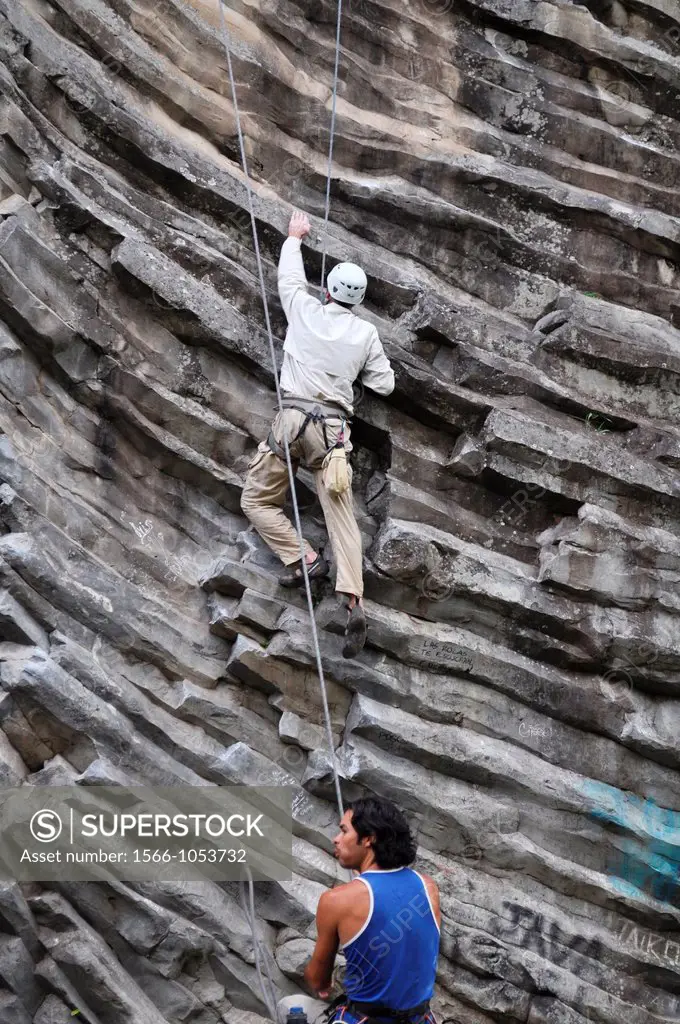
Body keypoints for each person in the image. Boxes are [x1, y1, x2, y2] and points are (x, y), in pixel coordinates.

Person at [241, 211, 395, 658]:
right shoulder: (366, 332)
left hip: (291, 422)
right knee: (340, 513)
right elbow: (385, 384)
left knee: (256, 499)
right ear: (359, 300)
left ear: (326, 290)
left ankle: (304, 558)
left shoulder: (305, 308)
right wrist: (355, 372)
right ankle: (353, 598)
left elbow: (288, 280)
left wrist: (294, 238)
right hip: (333, 435)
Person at [276, 797, 441, 1024]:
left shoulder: (337, 900)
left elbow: (317, 980)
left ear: (368, 839)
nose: (336, 839)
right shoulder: (428, 887)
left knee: (289, 1006)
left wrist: (326, 984)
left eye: (344, 831)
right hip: (421, 1019)